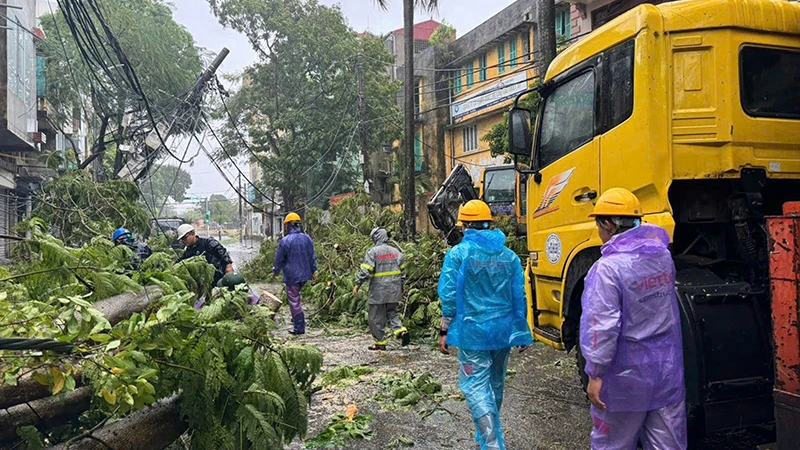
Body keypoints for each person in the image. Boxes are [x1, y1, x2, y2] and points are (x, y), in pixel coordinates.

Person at [580, 188, 686, 450]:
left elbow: (601, 326)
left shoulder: (608, 268)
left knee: (613, 443)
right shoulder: (662, 256)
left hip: (624, 376)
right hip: (666, 371)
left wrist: (595, 373)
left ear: (608, 224)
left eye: (598, 223)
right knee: (667, 443)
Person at [437, 200, 532, 450]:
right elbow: (518, 296)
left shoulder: (458, 255)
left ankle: (491, 444)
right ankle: (488, 439)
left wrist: (444, 328)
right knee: (495, 384)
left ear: (465, 225)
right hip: (502, 333)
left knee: (476, 387)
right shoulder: (509, 257)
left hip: (473, 334)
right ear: (489, 223)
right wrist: (521, 331)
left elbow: (448, 295)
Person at [353, 227, 409, 350]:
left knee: (375, 317)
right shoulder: (397, 252)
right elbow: (403, 272)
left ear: (375, 238)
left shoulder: (372, 252)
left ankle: (379, 343)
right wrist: (401, 286)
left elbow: (366, 270)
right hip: (394, 289)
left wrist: (357, 284)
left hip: (378, 290)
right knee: (392, 312)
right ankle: (401, 331)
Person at [272, 213, 317, 335]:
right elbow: (312, 257)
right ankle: (296, 319)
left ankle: (299, 327)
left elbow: (279, 259)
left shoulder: (285, 241)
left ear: (288, 225)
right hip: (305, 275)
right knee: (297, 299)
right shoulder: (307, 239)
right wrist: (313, 271)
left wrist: (275, 272)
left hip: (292, 276)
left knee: (294, 301)